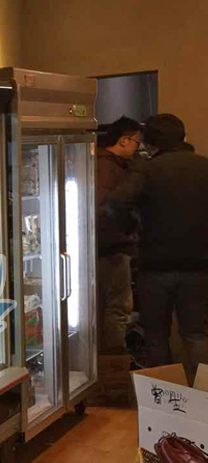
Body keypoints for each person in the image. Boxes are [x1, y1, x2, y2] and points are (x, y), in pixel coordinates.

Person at [106, 114, 208, 382]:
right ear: (183, 137)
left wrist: (131, 227)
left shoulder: (147, 170)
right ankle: (203, 394)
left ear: (150, 143)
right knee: (196, 334)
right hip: (199, 267)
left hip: (155, 267)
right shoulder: (204, 167)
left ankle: (163, 396)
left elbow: (116, 202)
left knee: (156, 335)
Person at [96, 116, 142, 354]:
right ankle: (114, 362)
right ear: (123, 140)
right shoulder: (108, 168)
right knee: (118, 307)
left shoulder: (99, 162)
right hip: (112, 249)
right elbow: (106, 208)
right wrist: (130, 229)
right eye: (136, 142)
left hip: (105, 247)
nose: (138, 148)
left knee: (107, 307)